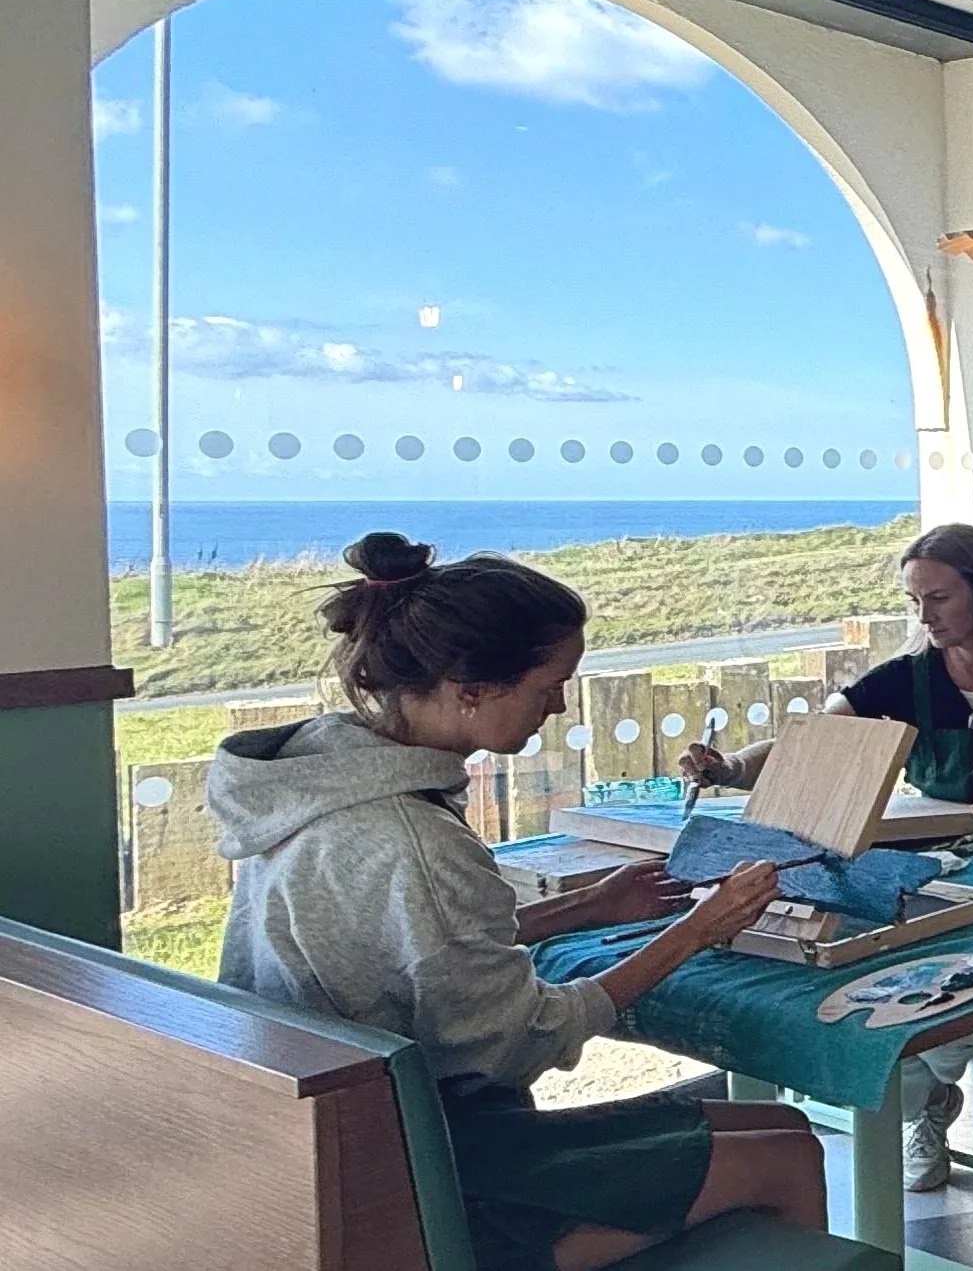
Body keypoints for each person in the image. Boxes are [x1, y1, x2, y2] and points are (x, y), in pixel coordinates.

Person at [208, 533, 825, 1271]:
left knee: (783, 1123)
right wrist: (696, 930)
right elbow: (519, 1041)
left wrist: (585, 906)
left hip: (327, 1141)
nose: (560, 705)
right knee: (785, 1158)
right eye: (547, 685)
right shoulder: (412, 836)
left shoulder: (317, 779)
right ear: (471, 688)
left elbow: (412, 944)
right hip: (424, 1180)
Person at [680, 522, 973, 1191]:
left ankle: (918, 1096)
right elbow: (810, 740)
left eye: (938, 598)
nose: (924, 615)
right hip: (937, 860)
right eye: (913, 600)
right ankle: (918, 1093)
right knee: (889, 948)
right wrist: (729, 765)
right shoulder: (905, 679)